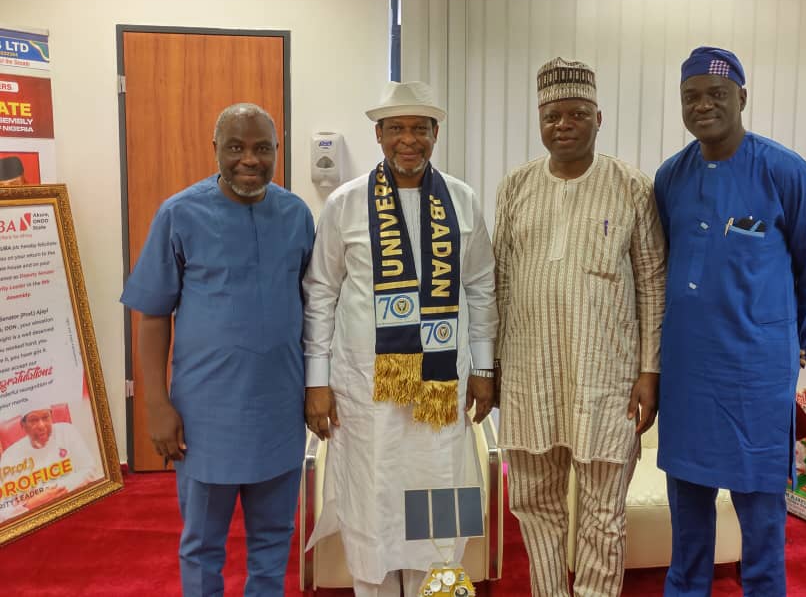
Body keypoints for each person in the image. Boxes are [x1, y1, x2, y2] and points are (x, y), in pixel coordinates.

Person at [655, 47, 806, 596]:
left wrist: (796, 344)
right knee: (687, 513)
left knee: (761, 518)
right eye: (691, 97)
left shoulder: (785, 171)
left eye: (716, 94)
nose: (703, 105)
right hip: (687, 371)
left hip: (755, 373)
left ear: (742, 96)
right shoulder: (671, 177)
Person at [301, 81, 497, 597]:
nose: (408, 140)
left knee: (441, 499)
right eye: (396, 129)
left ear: (435, 134)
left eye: (419, 129)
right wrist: (316, 382)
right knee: (374, 502)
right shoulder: (345, 204)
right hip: (366, 394)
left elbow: (481, 287)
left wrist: (484, 368)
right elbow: (320, 295)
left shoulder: (462, 200)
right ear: (378, 135)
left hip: (441, 393)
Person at [120, 103, 314, 597]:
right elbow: (152, 315)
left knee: (274, 538)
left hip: (279, 409)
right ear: (215, 150)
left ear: (277, 151)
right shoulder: (180, 213)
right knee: (203, 544)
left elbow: (315, 305)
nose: (249, 159)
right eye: (235, 147)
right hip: (207, 415)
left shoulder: (296, 215)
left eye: (262, 148)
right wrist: (157, 405)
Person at [494, 58, 665, 597]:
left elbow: (652, 283)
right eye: (551, 116)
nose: (562, 125)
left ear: (599, 117)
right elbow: (499, 282)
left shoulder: (631, 186)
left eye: (576, 114)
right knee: (534, 504)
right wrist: (491, 368)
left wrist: (650, 371)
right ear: (539, 121)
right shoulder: (516, 186)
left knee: (603, 513)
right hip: (530, 376)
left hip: (607, 378)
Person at [0, 405, 100, 520]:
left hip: (75, 503)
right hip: (38, 517)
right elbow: (3, 510)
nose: (42, 426)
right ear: (23, 426)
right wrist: (31, 504)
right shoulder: (10, 456)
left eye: (45, 417)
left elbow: (89, 469)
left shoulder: (67, 431)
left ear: (51, 417)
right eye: (34, 420)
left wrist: (54, 494)